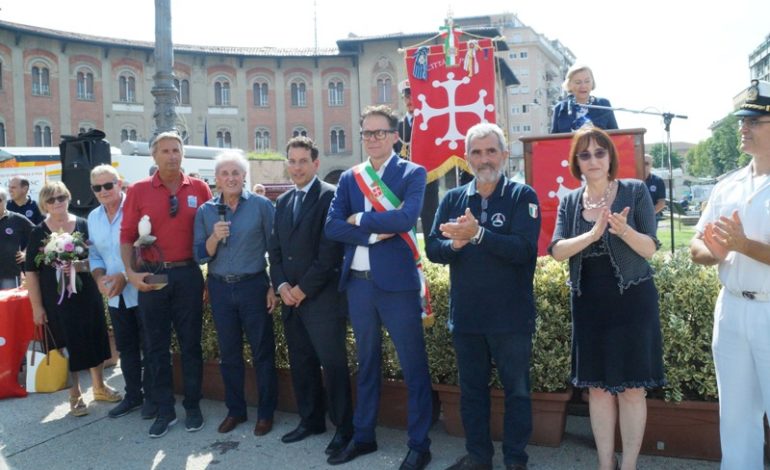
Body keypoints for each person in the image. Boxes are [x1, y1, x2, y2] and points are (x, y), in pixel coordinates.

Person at [548, 127, 665, 470]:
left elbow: (650, 249)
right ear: (576, 162)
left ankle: (627, 465)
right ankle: (605, 464)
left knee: (631, 389)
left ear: (610, 157)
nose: (594, 160)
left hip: (633, 300)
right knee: (597, 390)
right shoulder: (570, 200)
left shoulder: (634, 191)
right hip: (589, 303)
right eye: (585, 155)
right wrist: (593, 234)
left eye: (600, 153)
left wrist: (623, 230)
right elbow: (556, 251)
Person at [426, 123, 540, 470]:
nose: (484, 158)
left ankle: (516, 459)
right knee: (472, 394)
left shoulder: (523, 196)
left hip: (511, 319)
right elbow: (433, 248)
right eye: (476, 152)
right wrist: (455, 244)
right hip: (468, 318)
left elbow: (523, 250)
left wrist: (478, 235)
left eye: (491, 151)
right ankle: (479, 458)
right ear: (467, 158)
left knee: (517, 393)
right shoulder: (452, 198)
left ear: (504, 155)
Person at [325, 105, 433, 470]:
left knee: (413, 366)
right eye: (366, 133)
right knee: (366, 363)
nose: (372, 139)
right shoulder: (349, 178)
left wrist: (362, 219)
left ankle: (419, 444)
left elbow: (406, 217)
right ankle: (364, 435)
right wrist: (374, 235)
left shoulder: (412, 173)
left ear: (395, 135)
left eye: (379, 132)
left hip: (398, 286)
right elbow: (332, 226)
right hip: (358, 286)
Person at [689, 79, 770, 470]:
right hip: (732, 309)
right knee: (736, 418)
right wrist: (714, 251)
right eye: (743, 120)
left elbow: (739, 244)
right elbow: (697, 247)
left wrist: (743, 245)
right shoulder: (728, 185)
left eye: (755, 120)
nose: (744, 127)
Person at [120, 131, 213, 438]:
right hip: (154, 274)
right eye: (165, 151)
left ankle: (193, 406)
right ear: (154, 156)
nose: (172, 155)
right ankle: (164, 409)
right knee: (156, 347)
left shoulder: (199, 188)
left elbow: (212, 235)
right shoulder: (138, 190)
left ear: (182, 154)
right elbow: (126, 236)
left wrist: (210, 277)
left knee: (190, 346)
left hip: (188, 274)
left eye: (176, 150)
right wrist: (131, 274)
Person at [268, 136, 354, 457]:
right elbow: (274, 252)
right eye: (292, 161)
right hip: (291, 302)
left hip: (322, 302)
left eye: (303, 161)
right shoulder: (283, 202)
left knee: (333, 366)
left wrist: (302, 289)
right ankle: (311, 420)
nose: (297, 167)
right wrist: (282, 287)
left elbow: (329, 254)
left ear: (315, 164)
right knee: (302, 365)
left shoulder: (331, 198)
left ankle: (344, 429)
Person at [193, 151, 278, 437]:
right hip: (219, 287)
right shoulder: (205, 212)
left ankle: (266, 414)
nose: (230, 178)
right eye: (225, 174)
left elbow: (275, 250)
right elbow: (199, 255)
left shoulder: (262, 206)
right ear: (216, 179)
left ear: (244, 177)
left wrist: (273, 286)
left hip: (253, 286)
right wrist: (214, 238)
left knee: (262, 352)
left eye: (235, 173)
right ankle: (236, 410)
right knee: (229, 354)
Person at [25, 181, 121, 417]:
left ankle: (99, 387)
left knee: (94, 337)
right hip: (56, 300)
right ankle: (75, 394)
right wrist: (37, 307)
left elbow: (98, 257)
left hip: (86, 294)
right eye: (51, 199)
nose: (57, 202)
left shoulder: (84, 225)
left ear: (68, 198)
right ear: (44, 204)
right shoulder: (38, 232)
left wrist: (80, 264)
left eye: (61, 197)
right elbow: (31, 272)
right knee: (66, 343)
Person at [87, 164, 155, 419]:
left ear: (120, 184)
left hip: (141, 290)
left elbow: (149, 250)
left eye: (108, 185)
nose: (103, 191)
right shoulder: (94, 217)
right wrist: (98, 279)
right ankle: (133, 396)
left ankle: (152, 397)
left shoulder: (137, 209)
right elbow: (95, 256)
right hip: (115, 296)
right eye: (97, 187)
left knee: (150, 347)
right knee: (126, 349)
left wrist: (126, 276)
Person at [550, 64, 618, 134]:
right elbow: (553, 141)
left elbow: (617, 136)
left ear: (592, 83)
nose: (583, 86)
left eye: (587, 81)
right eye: (578, 82)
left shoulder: (604, 105)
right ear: (569, 85)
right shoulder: (560, 109)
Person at [0, 186, 34, 289]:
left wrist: (26, 253)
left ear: (6, 201)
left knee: (9, 304)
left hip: (10, 275)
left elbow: (38, 234)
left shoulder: (17, 219)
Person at [643, 154, 667, 226]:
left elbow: (661, 203)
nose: (644, 166)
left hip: (651, 217)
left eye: (646, 163)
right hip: (633, 218)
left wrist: (647, 215)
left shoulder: (658, 181)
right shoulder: (633, 180)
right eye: (642, 163)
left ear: (651, 165)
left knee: (649, 237)